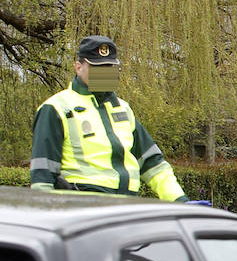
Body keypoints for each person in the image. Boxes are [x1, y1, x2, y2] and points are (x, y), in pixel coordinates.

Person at [30, 35, 189, 201]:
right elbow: (42, 176)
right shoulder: (56, 108)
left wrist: (180, 201)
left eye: (109, 67)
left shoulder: (122, 108)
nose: (104, 73)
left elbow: (153, 164)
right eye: (97, 67)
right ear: (78, 67)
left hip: (125, 204)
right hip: (81, 205)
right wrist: (45, 209)